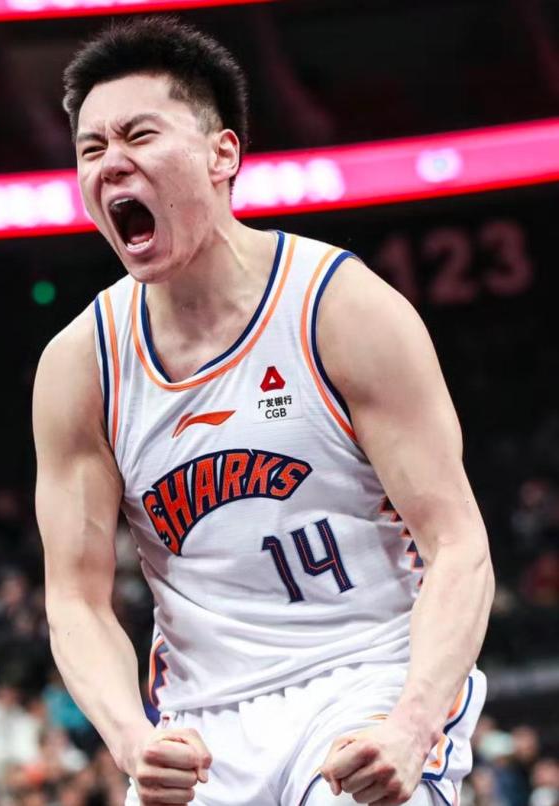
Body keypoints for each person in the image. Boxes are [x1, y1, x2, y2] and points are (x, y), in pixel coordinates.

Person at [32, 16, 494, 806]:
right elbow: (75, 600)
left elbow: (458, 545)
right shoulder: (82, 365)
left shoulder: (339, 308)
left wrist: (413, 725)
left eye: (139, 135)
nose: (112, 163)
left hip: (366, 680)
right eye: (91, 148)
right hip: (204, 724)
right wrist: (131, 738)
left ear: (222, 154)